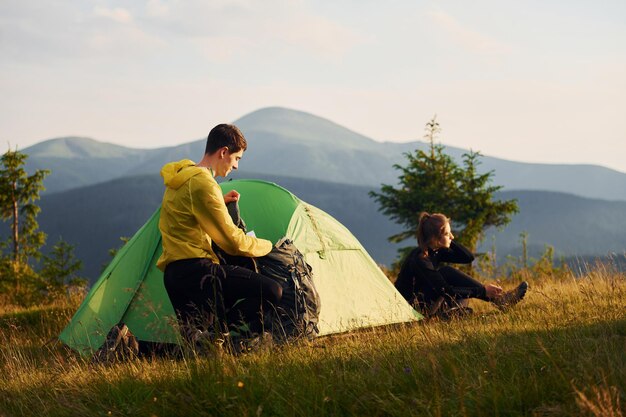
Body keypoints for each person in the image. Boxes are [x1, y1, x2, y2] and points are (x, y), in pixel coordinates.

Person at [156, 124, 282, 341]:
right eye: (237, 158)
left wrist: (219, 203)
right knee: (271, 290)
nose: (236, 167)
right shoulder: (204, 184)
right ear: (223, 152)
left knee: (193, 348)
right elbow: (232, 242)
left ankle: (129, 344)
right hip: (198, 271)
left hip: (174, 275)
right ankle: (218, 331)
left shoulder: (180, 178)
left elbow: (188, 213)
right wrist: (268, 246)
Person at [395, 212, 528, 318]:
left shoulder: (435, 250)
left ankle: (451, 313)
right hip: (412, 309)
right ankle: (499, 300)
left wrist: (447, 240)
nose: (452, 236)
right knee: (446, 272)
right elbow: (445, 291)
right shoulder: (420, 259)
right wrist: (483, 291)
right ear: (436, 238)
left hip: (430, 303)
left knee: (458, 285)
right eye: (448, 234)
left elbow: (467, 257)